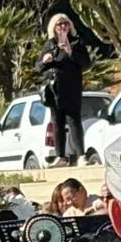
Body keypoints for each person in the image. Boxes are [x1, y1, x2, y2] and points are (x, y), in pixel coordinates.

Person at [38, 13, 88, 167]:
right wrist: (45, 60)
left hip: (72, 89)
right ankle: (60, 156)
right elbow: (38, 67)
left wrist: (70, 51)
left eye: (65, 24)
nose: (63, 27)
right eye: (59, 24)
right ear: (53, 27)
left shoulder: (76, 42)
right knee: (57, 124)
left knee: (74, 122)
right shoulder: (49, 45)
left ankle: (81, 155)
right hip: (54, 91)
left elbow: (86, 62)